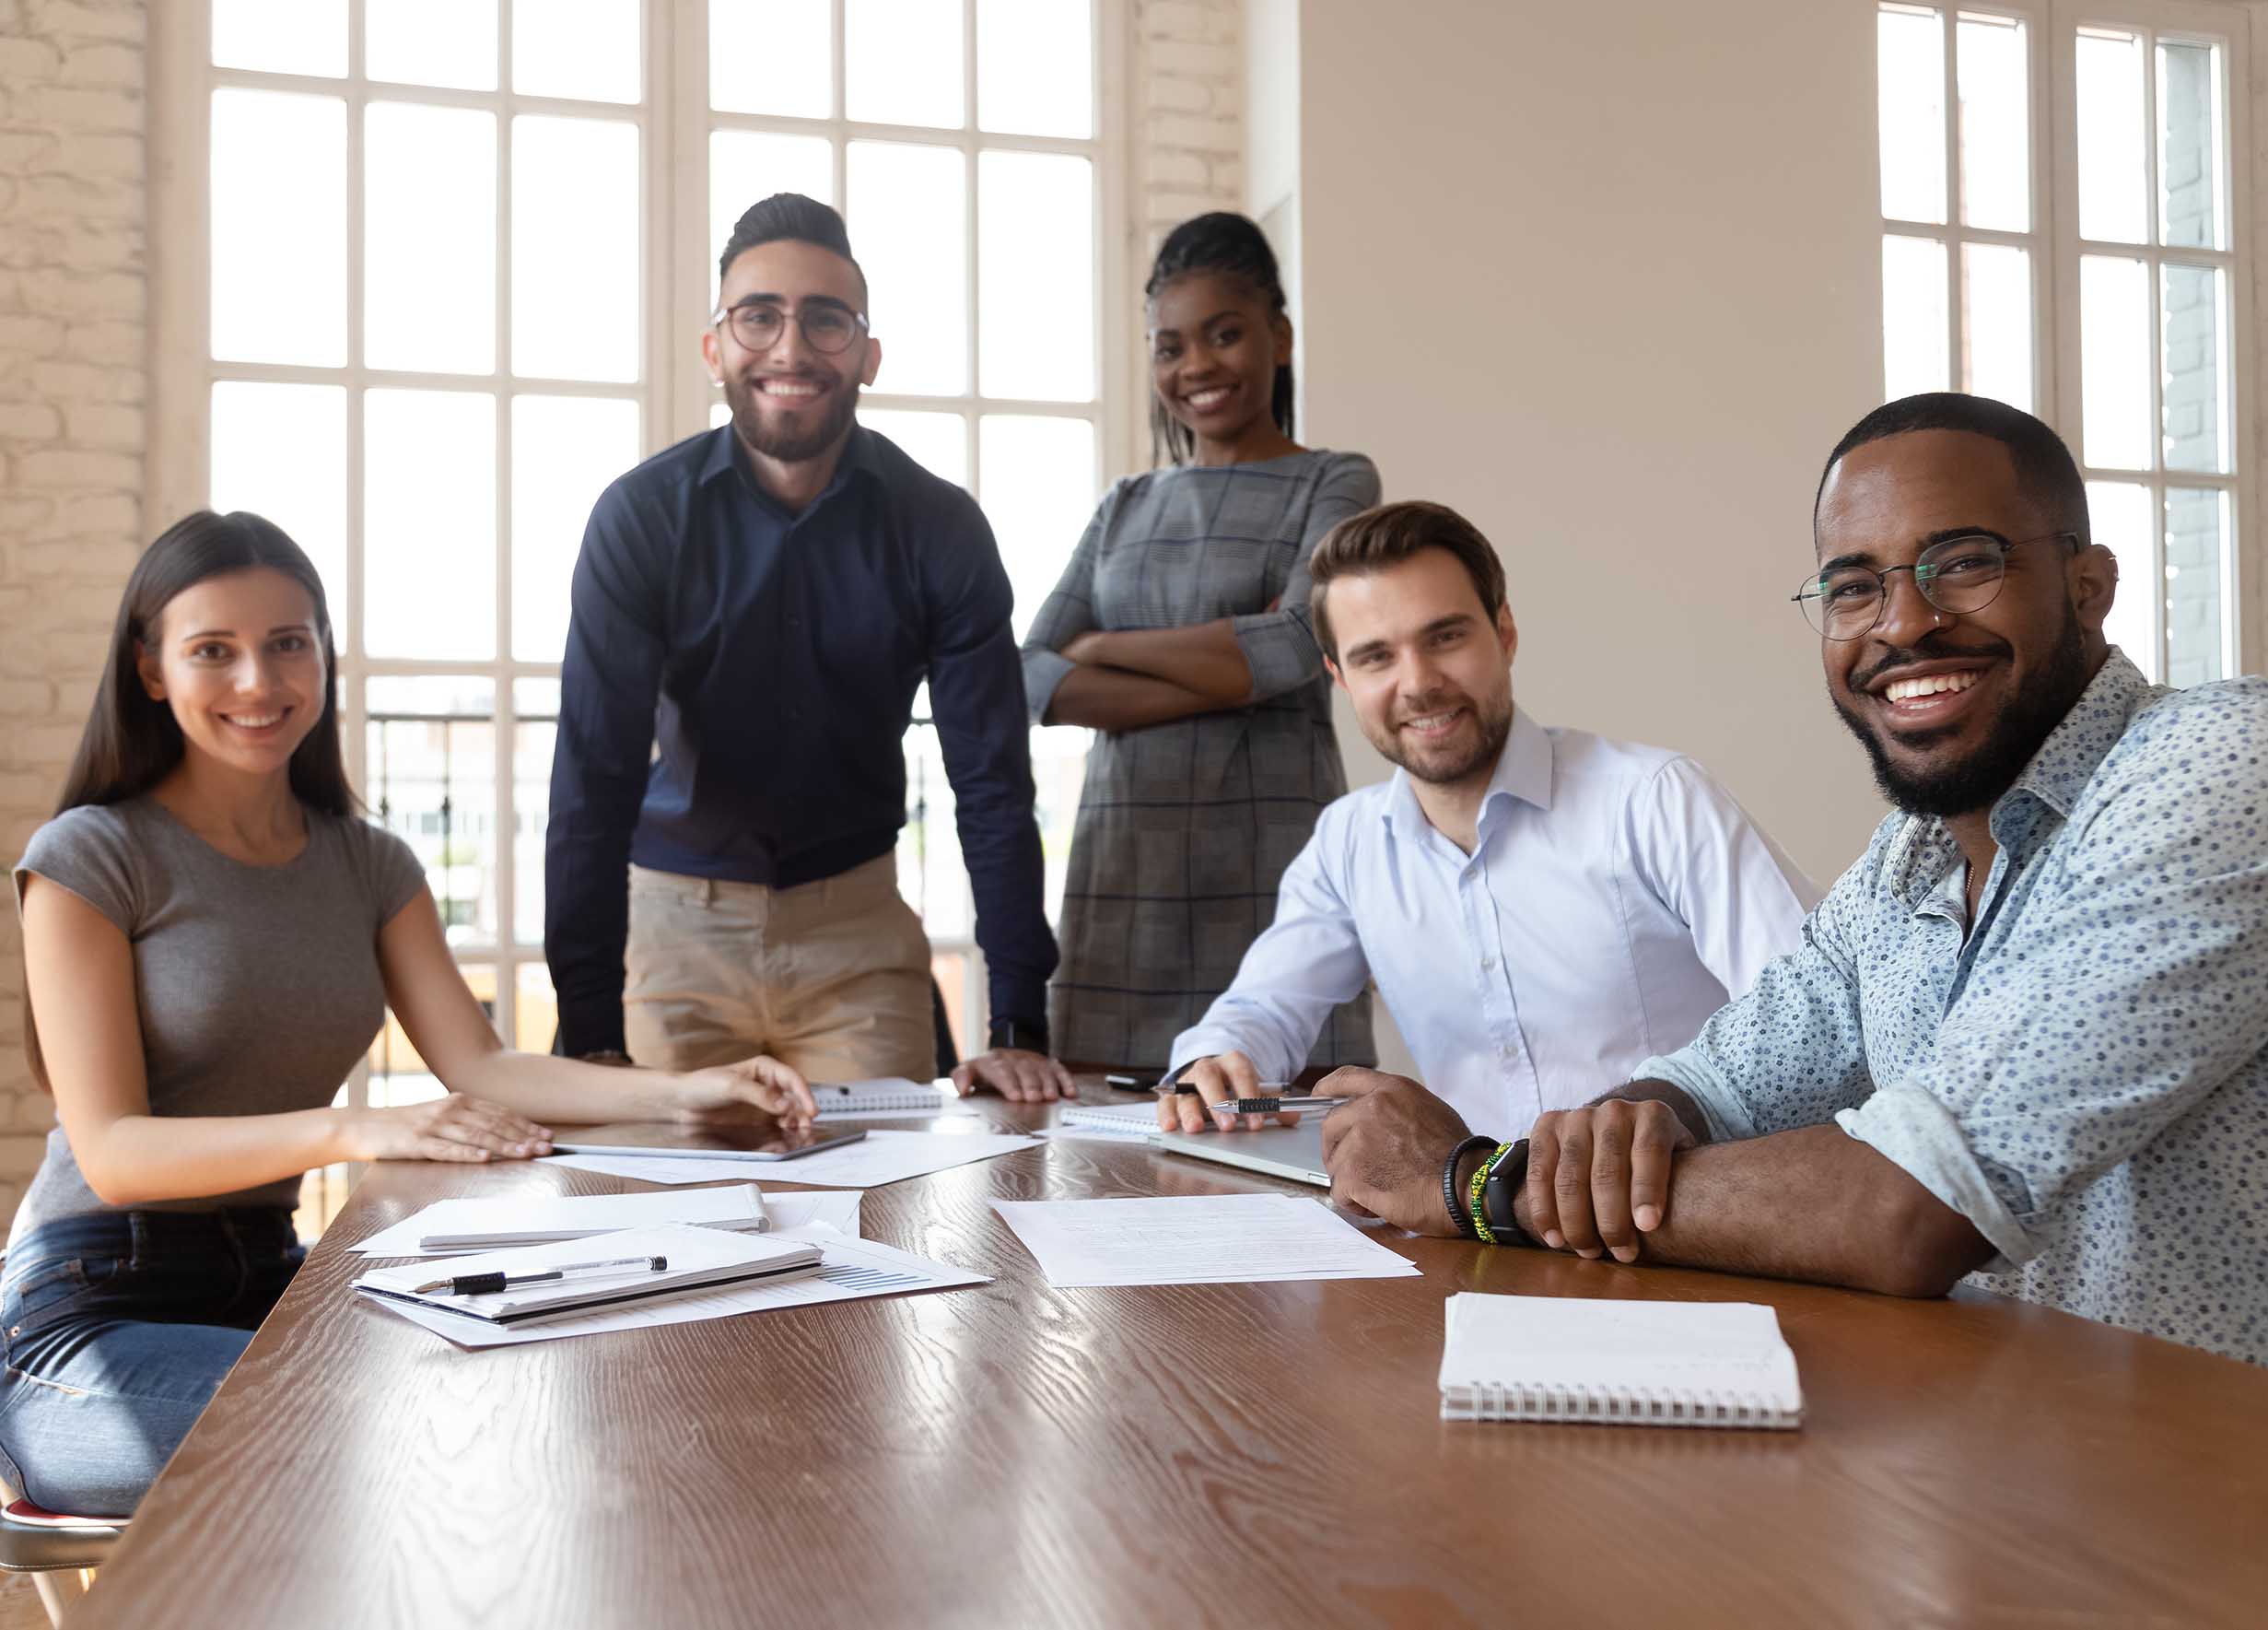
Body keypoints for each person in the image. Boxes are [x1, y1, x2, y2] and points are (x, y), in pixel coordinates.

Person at [1317, 394, 2268, 1377]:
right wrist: (1631, 1124)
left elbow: (1911, 1206)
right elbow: (1721, 1079)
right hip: (1992, 1463)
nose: (1904, 623)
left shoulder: (2224, 761)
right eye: (1853, 587)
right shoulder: (1908, 854)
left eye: (1962, 563)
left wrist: (1481, 1182)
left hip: (2224, 1495)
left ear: (2088, 585)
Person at [1, 512, 819, 1516]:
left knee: (522, 1382)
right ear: (152, 669)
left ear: (323, 657)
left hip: (271, 1276)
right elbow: (116, 1149)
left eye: (288, 643)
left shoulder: (367, 862)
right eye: (214, 650)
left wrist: (688, 1087)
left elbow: (480, 1063)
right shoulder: (89, 855)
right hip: (88, 1313)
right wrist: (359, 1125)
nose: (260, 682)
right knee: (383, 1435)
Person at [545, 193, 1069, 1102]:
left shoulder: (938, 527)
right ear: (716, 347)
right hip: (673, 931)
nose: (790, 348)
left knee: (890, 1210)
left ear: (866, 352)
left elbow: (989, 779)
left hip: (855, 937)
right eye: (759, 316)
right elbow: (593, 776)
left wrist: (1017, 1020)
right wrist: (590, 1029)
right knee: (662, 1216)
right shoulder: (640, 519)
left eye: (824, 319)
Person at [1160, 499, 1816, 1136]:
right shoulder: (1347, 842)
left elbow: (1817, 1014)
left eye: (1444, 636)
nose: (1417, 683)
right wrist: (1219, 1056)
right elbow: (1265, 1009)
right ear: (1339, 676)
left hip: (1681, 1217)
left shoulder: (1655, 800)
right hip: (1472, 1225)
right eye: (1376, 656)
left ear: (1504, 632)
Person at [1021, 212, 1381, 1070]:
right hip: (1124, 877)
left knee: (1291, 1146)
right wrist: (1232, 667)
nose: (1197, 367)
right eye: (1170, 346)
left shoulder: (1335, 479)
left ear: (1279, 337)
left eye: (1225, 335)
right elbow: (1031, 674)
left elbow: (1296, 645)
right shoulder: (1124, 504)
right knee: (1101, 1168)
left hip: (1271, 868)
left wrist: (1104, 645)